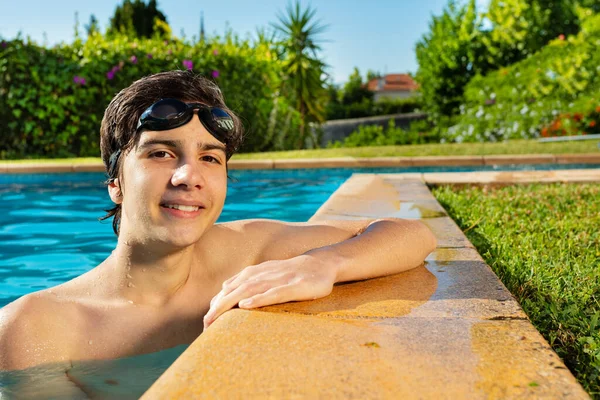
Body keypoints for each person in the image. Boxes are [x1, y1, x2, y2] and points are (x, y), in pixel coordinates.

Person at [0, 70, 436, 373]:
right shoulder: (36, 328)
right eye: (160, 153)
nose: (189, 177)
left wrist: (325, 263)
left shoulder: (247, 251)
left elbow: (411, 233)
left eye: (210, 158)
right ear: (115, 182)